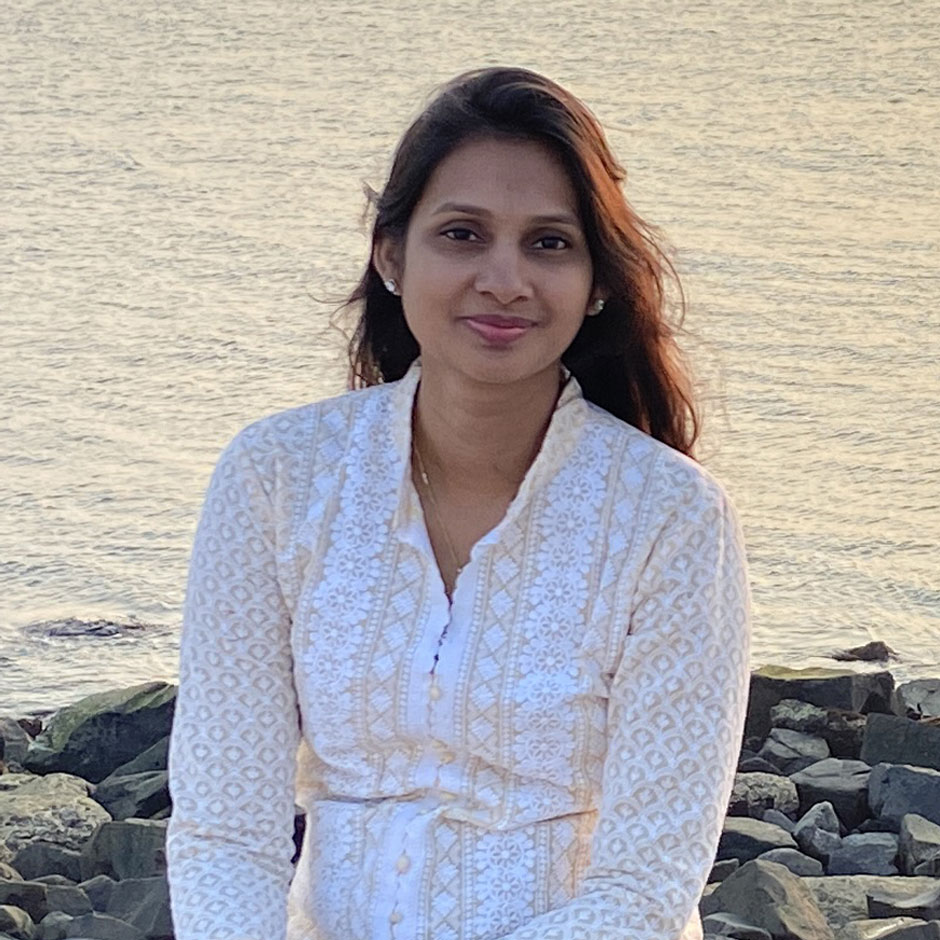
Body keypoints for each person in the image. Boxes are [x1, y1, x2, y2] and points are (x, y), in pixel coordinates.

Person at [166, 66, 751, 940]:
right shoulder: (276, 477)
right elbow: (224, 832)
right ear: (391, 256)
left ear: (597, 281)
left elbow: (644, 890)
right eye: (462, 234)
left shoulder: (672, 518)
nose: (504, 279)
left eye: (549, 242)